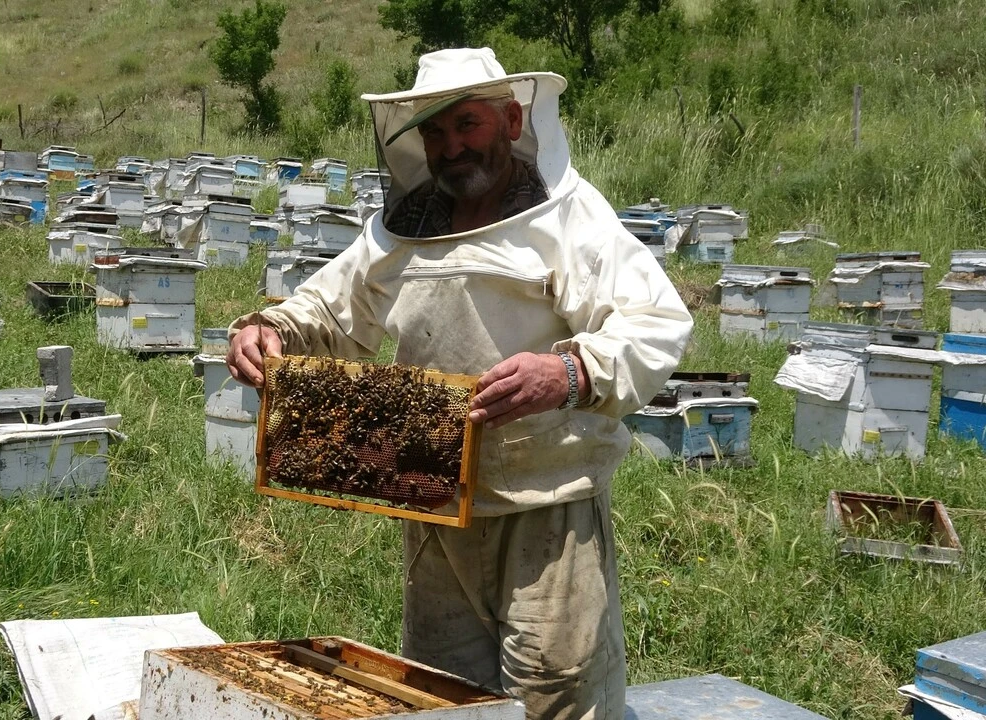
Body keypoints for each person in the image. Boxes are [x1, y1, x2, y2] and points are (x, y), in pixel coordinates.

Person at [226, 47, 692, 720]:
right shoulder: (403, 227)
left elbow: (653, 322)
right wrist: (269, 328)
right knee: (445, 694)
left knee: (556, 690)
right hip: (434, 497)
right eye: (436, 133)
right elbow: (330, 307)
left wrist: (567, 371)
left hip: (545, 499)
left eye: (467, 125)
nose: (451, 148)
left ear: (511, 121)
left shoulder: (568, 216)